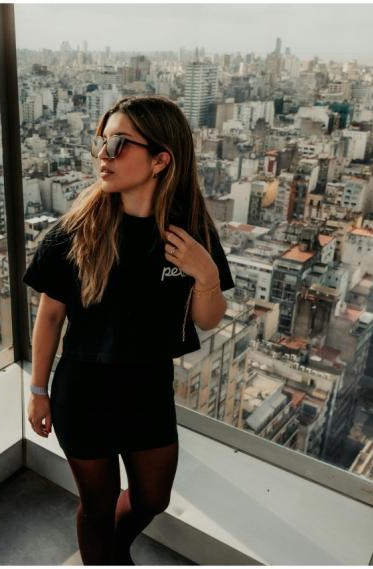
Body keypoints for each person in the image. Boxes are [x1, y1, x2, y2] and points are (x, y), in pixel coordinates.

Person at [22, 95, 234, 565]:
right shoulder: (75, 231)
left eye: (119, 143)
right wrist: (38, 389)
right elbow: (50, 316)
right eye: (102, 141)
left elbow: (208, 318)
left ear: (161, 159)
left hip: (147, 389)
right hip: (83, 390)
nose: (104, 153)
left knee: (152, 499)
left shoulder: (191, 232)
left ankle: (111, 550)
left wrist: (207, 275)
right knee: (95, 506)